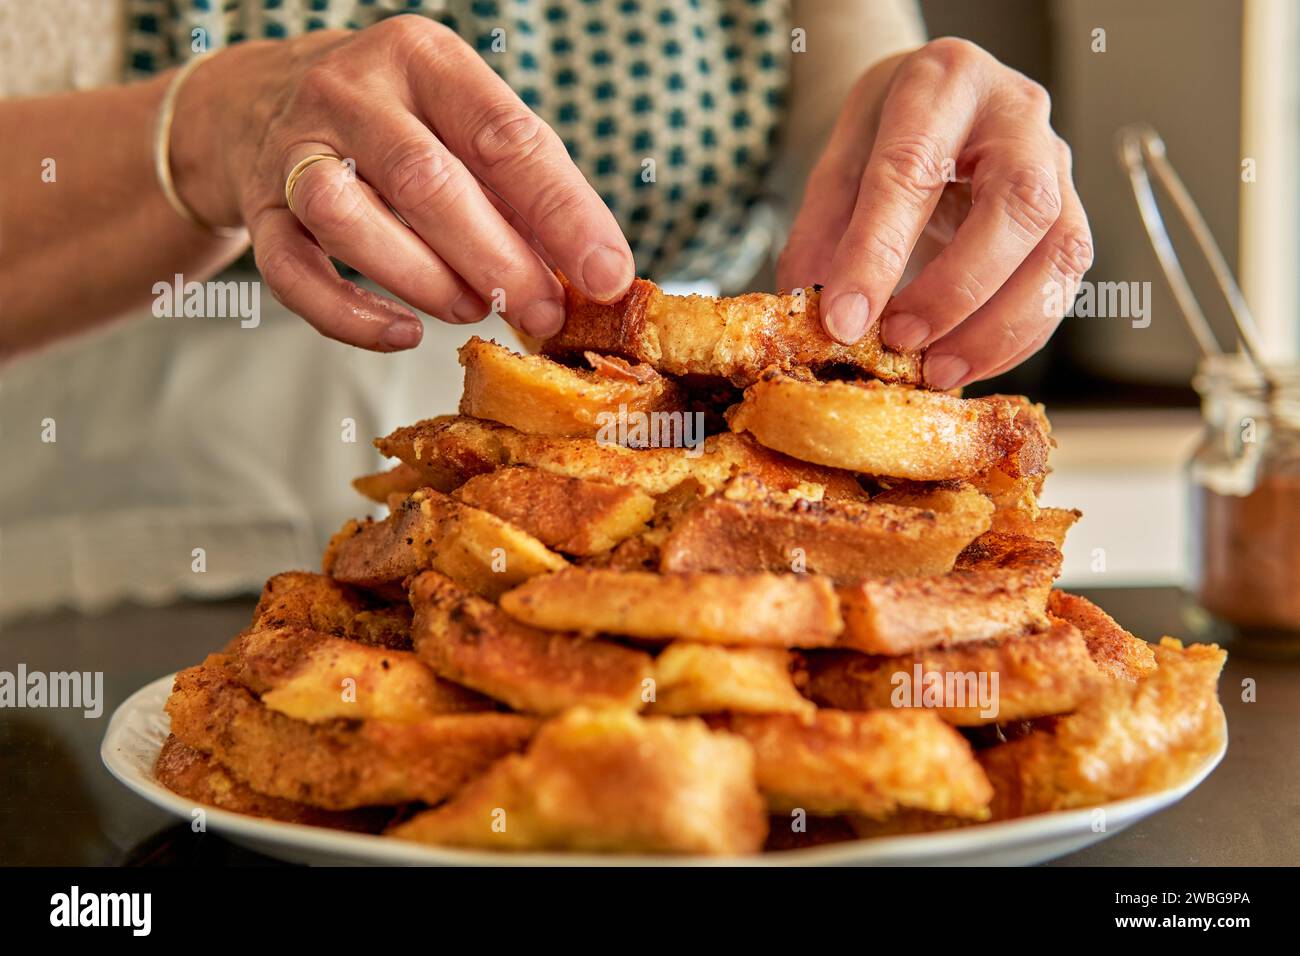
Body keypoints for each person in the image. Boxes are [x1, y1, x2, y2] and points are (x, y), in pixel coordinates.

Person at [0, 1, 1090, 618]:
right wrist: (204, 124)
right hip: (104, 573)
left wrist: (929, 147)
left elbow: (847, 131)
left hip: (699, 549)